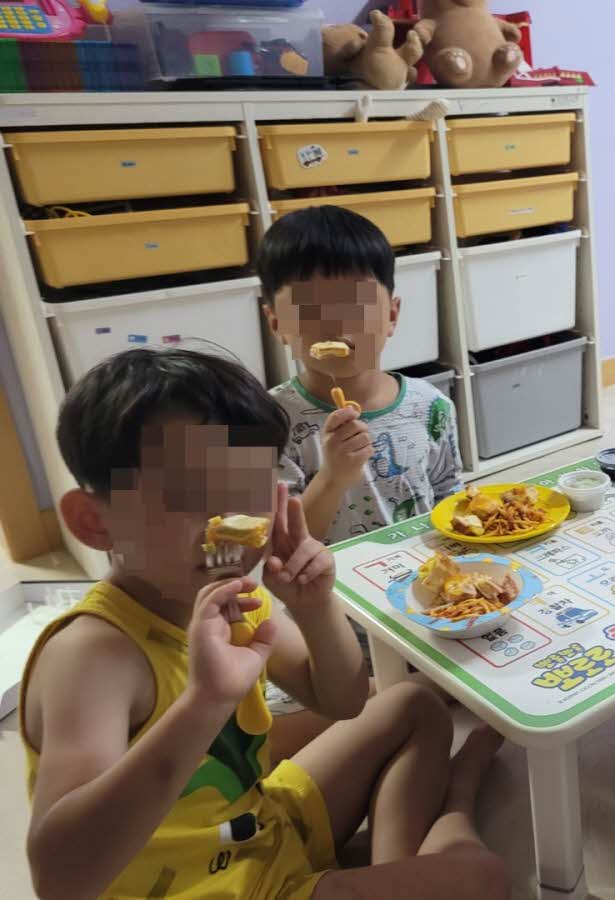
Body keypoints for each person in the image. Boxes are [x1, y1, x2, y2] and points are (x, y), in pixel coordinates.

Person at [21, 348, 507, 900]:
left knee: (411, 702)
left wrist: (314, 606)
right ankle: (457, 801)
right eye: (188, 497)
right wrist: (204, 703)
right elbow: (61, 880)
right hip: (207, 889)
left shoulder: (229, 598)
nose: (227, 527)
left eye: (247, 496)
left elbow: (343, 700)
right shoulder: (93, 654)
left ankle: (388, 866)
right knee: (482, 878)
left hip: (260, 830)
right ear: (93, 521)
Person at [257, 206, 465, 751]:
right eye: (310, 311)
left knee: (500, 674)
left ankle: (412, 696)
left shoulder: (430, 406)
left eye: (358, 306)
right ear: (276, 323)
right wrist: (333, 476)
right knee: (285, 736)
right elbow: (284, 551)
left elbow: (450, 502)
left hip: (421, 607)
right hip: (329, 626)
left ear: (391, 315)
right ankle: (403, 699)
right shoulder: (269, 421)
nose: (337, 327)